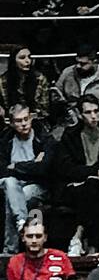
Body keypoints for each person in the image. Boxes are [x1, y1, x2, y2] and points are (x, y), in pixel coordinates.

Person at [58, 95, 99, 256]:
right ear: (80, 115)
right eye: (88, 112)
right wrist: (93, 173)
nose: (93, 116)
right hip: (75, 186)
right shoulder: (70, 135)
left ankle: (78, 236)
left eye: (96, 111)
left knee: (94, 189)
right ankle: (93, 246)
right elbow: (66, 168)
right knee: (95, 194)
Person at [0, 104, 57, 253]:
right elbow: (3, 170)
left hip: (37, 185)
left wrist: (16, 166)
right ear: (11, 123)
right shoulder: (5, 140)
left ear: (31, 118)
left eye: (26, 119)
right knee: (10, 184)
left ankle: (10, 249)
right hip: (12, 184)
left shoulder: (43, 138)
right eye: (19, 121)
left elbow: (44, 169)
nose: (24, 123)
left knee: (14, 198)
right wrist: (31, 165)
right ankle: (22, 222)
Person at [6, 216, 73, 280]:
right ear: (23, 238)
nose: (34, 240)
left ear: (45, 237)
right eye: (30, 236)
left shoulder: (60, 256)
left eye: (38, 236)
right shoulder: (15, 262)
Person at [54, 45, 99, 126]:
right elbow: (56, 93)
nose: (78, 66)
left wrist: (91, 117)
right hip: (70, 120)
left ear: (94, 62)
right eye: (77, 62)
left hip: (98, 121)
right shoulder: (68, 73)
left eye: (83, 64)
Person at [0, 45, 51, 124]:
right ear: (14, 60)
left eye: (29, 57)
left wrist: (29, 116)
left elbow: (45, 110)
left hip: (34, 122)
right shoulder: (2, 80)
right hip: (10, 122)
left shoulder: (40, 79)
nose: (28, 61)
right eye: (22, 58)